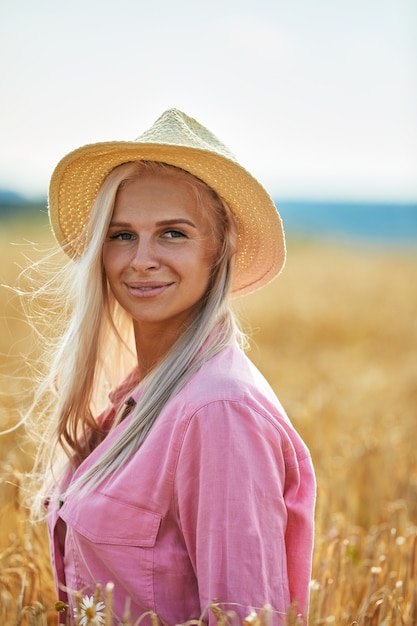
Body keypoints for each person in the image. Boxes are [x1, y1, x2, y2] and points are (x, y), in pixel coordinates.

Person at [31, 109, 316, 625]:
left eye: (173, 234)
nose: (140, 259)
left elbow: (243, 617)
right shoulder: (139, 397)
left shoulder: (218, 412)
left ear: (219, 249)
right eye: (121, 235)